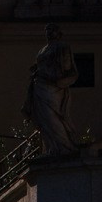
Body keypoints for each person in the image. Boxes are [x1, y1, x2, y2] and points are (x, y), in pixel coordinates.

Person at [23, 30, 76, 158]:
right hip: (40, 85)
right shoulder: (43, 50)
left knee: (52, 117)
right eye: (47, 31)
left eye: (51, 30)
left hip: (52, 86)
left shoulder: (62, 47)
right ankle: (51, 148)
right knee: (43, 119)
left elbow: (67, 65)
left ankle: (65, 147)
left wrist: (53, 73)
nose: (48, 33)